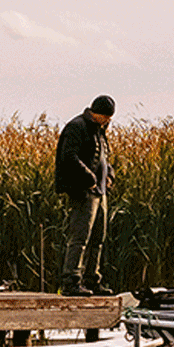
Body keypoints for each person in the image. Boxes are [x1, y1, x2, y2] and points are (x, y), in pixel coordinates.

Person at [52, 95, 114, 295]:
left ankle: (92, 280)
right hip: (84, 191)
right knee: (80, 238)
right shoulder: (77, 127)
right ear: (97, 113)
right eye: (106, 116)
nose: (108, 121)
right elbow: (68, 156)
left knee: (98, 239)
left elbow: (104, 158)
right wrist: (89, 177)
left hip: (100, 192)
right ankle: (71, 282)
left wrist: (109, 175)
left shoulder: (98, 131)